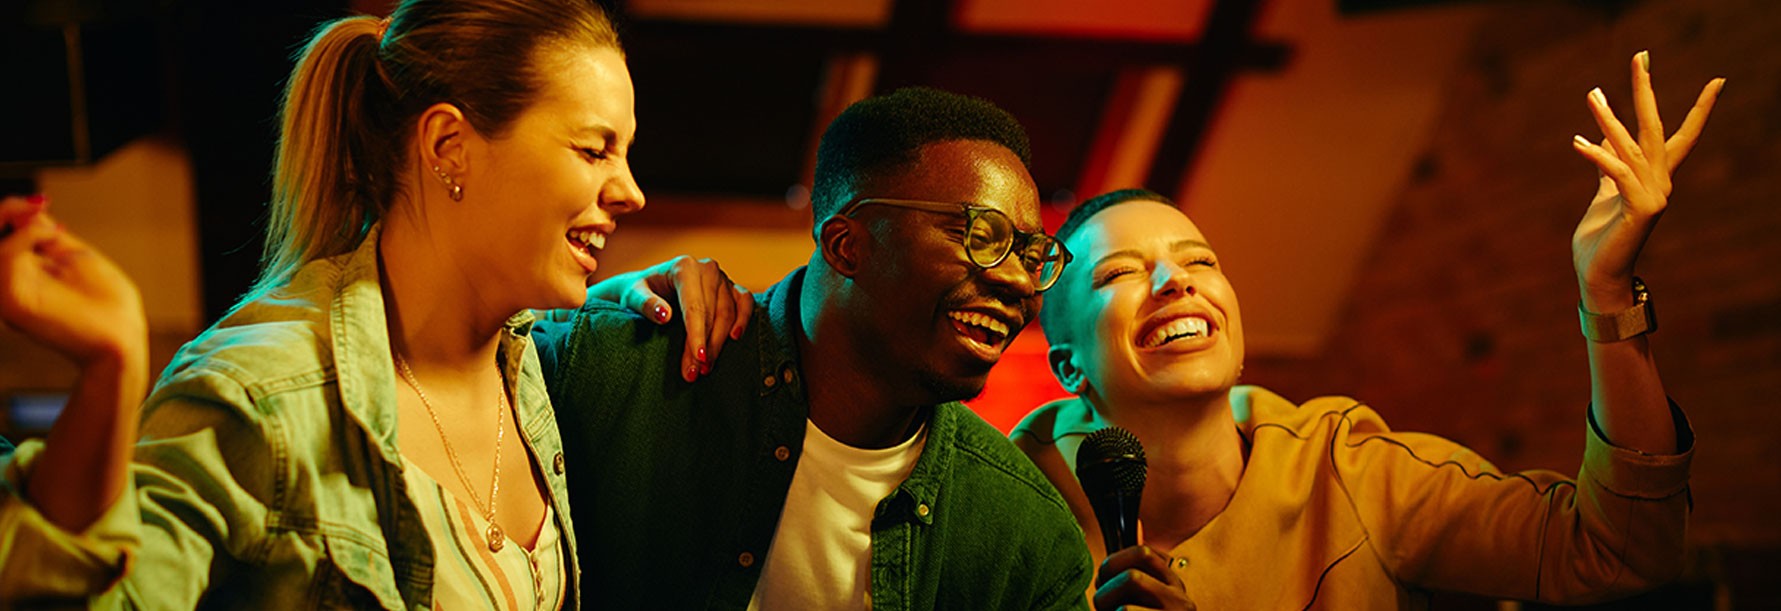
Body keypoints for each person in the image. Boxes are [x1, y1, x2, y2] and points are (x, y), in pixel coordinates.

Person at [0, 1, 745, 607]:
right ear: (449, 144)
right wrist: (112, 366)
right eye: (593, 149)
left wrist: (638, 291)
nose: (630, 191)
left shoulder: (524, 354)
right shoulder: (262, 396)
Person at [1012, 52, 1722, 609]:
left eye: (1198, 259)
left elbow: (1620, 550)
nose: (1176, 281)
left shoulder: (1351, 471)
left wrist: (1604, 293)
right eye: (1117, 275)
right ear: (1069, 365)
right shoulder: (997, 512)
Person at [533, 87, 1093, 609]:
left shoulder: (1028, 543)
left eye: (1032, 253)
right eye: (982, 236)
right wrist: (569, 305)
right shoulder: (607, 372)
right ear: (846, 246)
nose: (1021, 282)